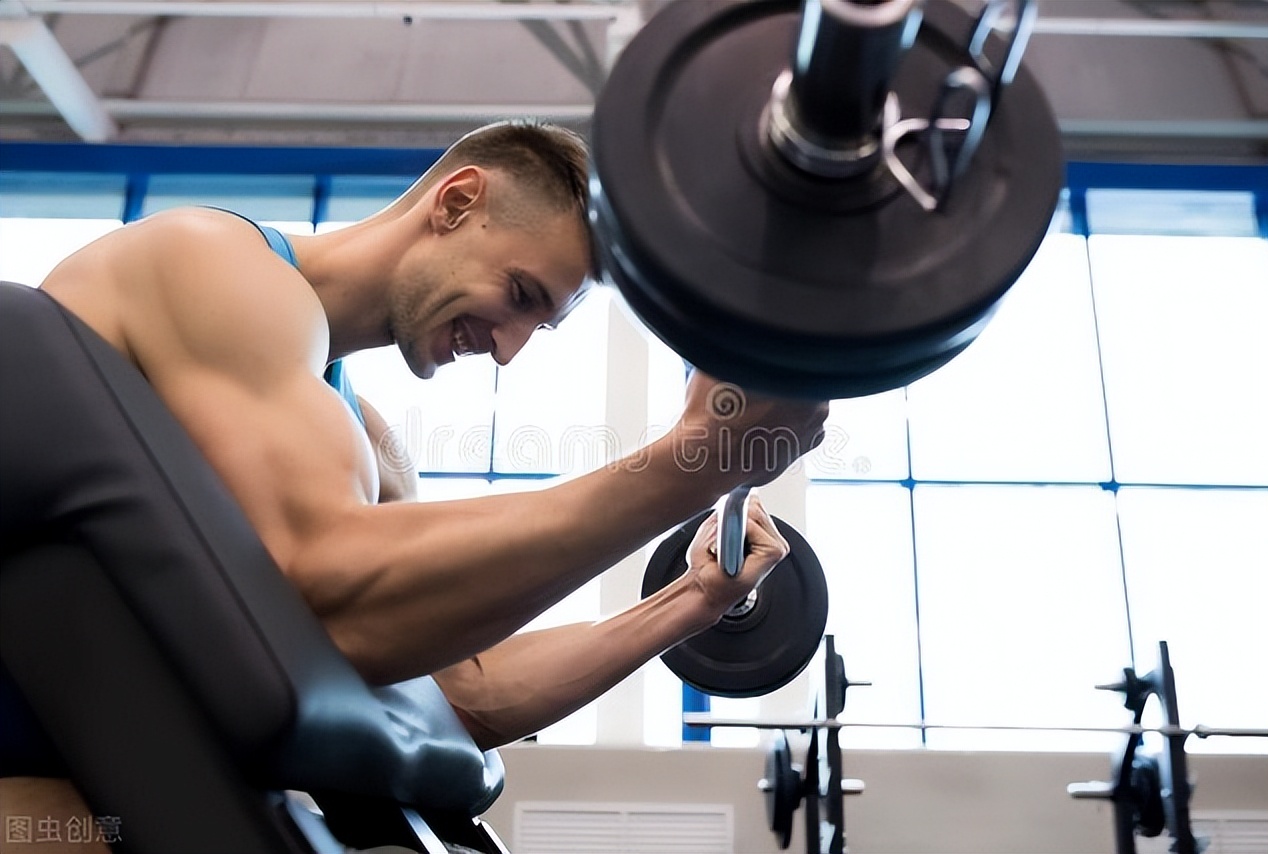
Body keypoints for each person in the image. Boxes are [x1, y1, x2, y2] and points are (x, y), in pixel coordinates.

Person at [11, 120, 826, 820]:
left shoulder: (364, 440)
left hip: (135, 779)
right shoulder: (210, 266)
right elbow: (315, 598)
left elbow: (458, 697)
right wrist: (691, 466)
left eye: (537, 328)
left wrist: (690, 603)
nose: (507, 346)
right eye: (519, 292)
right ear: (456, 201)